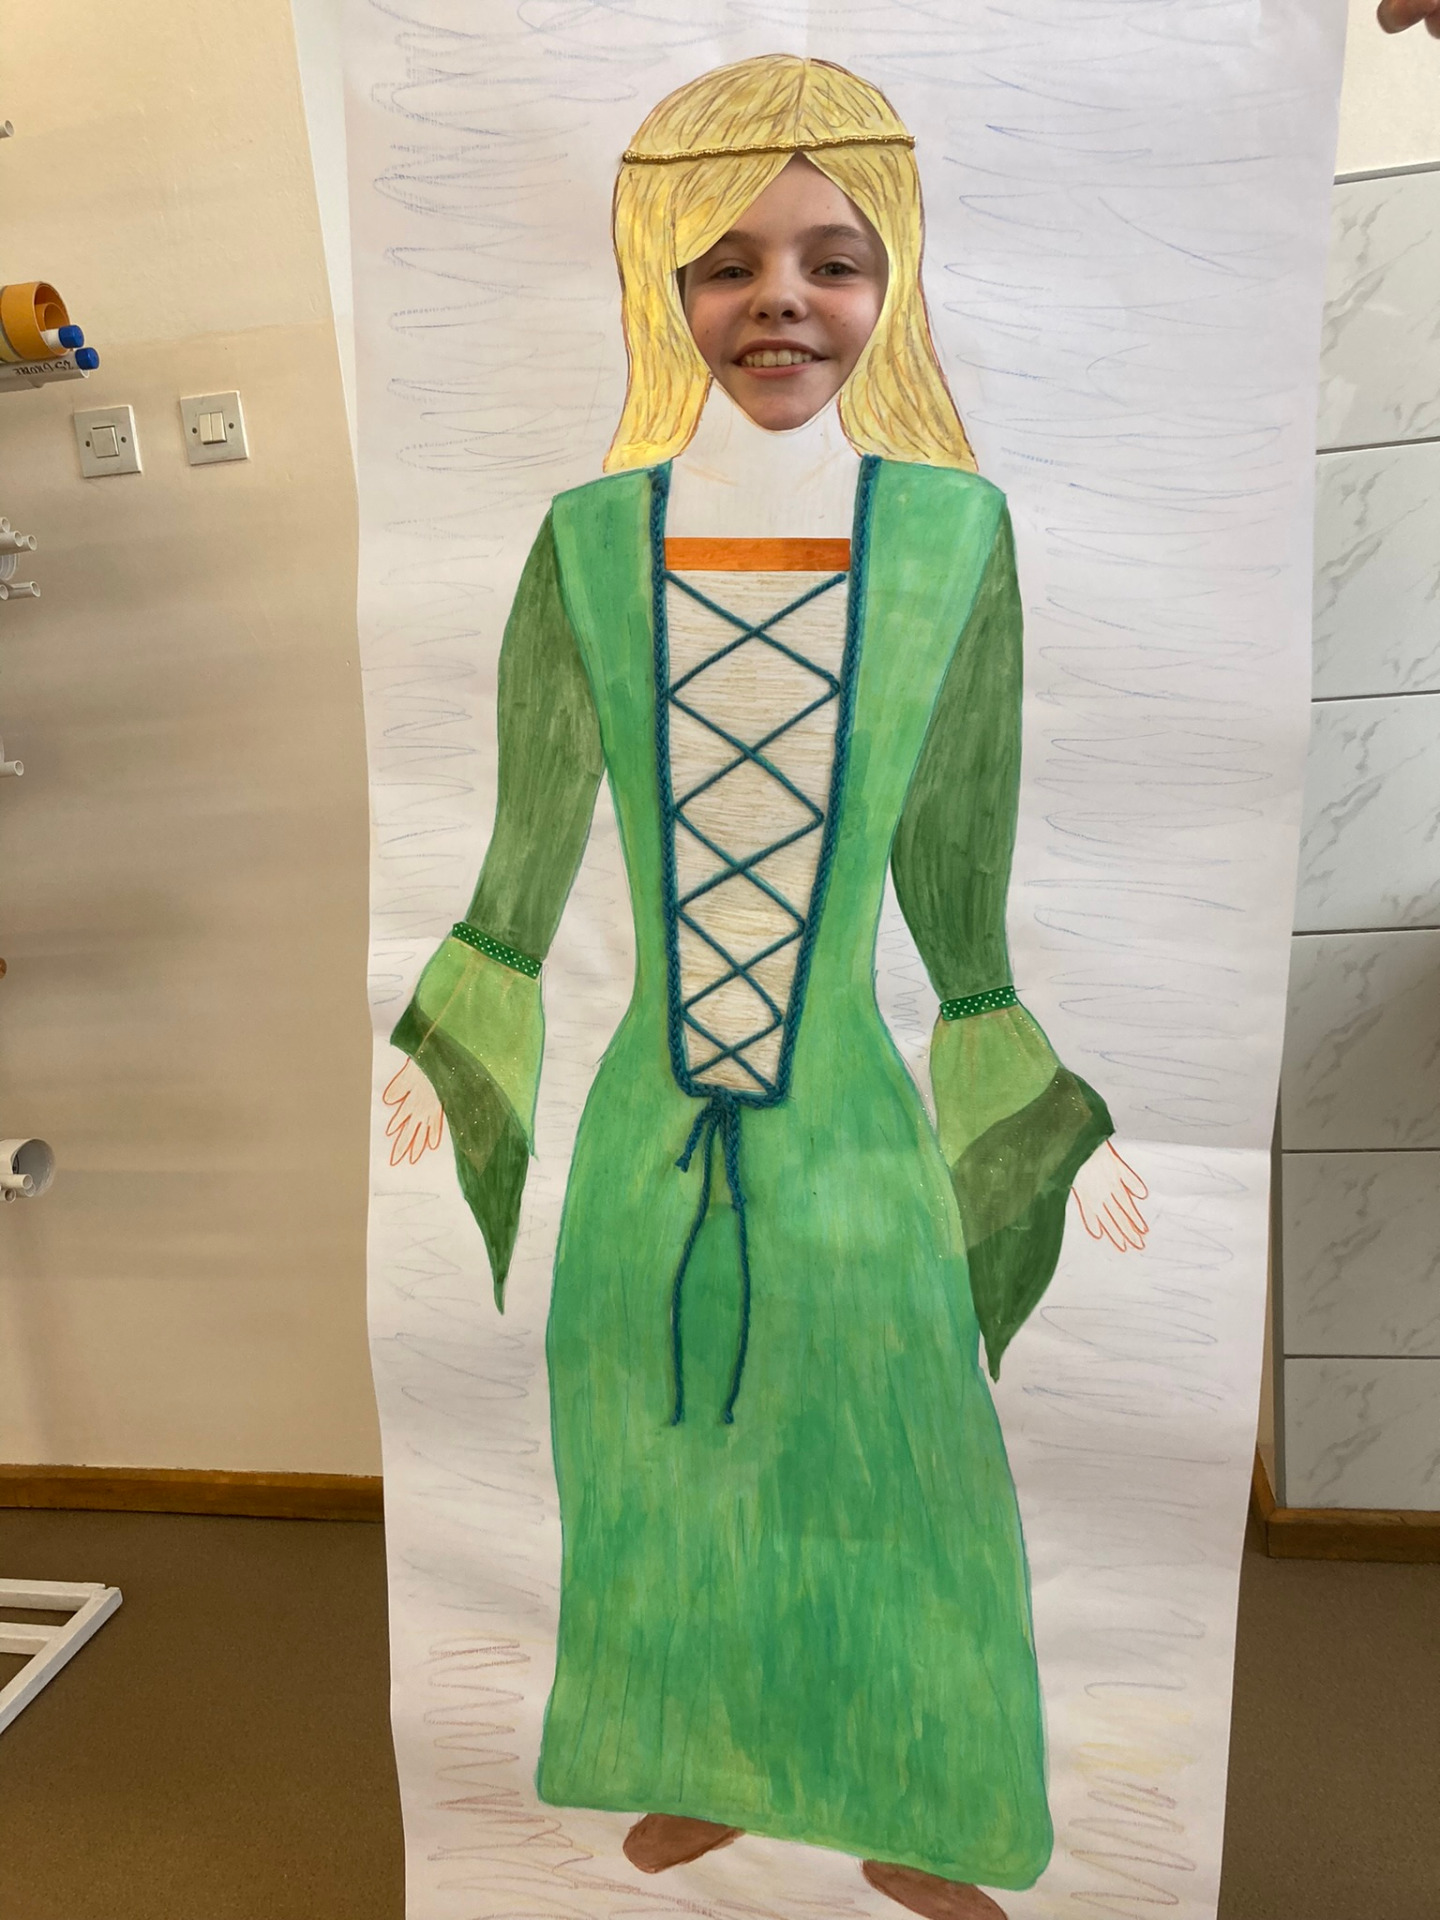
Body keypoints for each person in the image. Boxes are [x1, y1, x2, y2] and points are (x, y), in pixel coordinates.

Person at [384, 54, 1148, 1920]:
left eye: (831, 258)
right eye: (725, 262)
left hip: (851, 1116)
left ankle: (918, 1799)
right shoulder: (587, 542)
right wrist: (449, 1041)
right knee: (659, 1446)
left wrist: (1041, 1103)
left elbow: (959, 859)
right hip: (651, 1119)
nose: (779, 300)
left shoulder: (953, 534)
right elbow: (529, 839)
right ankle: (705, 1761)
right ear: (661, 285)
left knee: (899, 1455)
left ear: (895, 280)